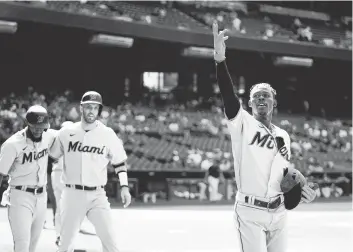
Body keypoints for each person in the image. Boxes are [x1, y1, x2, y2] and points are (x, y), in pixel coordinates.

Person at [212, 22, 317, 252]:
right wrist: (220, 61)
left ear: (273, 103)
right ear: (249, 104)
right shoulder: (242, 124)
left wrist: (303, 188)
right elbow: (229, 97)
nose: (261, 99)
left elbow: (286, 172)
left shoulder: (284, 135)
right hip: (249, 212)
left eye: (266, 96)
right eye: (256, 96)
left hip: (278, 213)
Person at [50, 91, 132, 252]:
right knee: (65, 244)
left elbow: (120, 163)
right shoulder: (66, 133)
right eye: (88, 107)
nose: (91, 111)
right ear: (81, 108)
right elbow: (52, 156)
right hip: (72, 194)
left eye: (95, 107)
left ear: (99, 110)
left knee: (110, 242)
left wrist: (124, 187)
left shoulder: (107, 134)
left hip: (97, 195)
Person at [0, 105, 56, 252]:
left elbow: (69, 134)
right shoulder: (12, 144)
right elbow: (1, 173)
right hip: (20, 196)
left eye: (42, 126)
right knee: (22, 244)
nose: (39, 129)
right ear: (28, 124)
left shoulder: (49, 136)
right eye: (35, 126)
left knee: (32, 246)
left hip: (41, 197)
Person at [50, 120, 74, 246]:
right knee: (65, 208)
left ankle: (60, 234)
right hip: (62, 174)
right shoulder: (62, 141)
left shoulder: (56, 140)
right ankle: (62, 235)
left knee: (62, 208)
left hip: (60, 174)